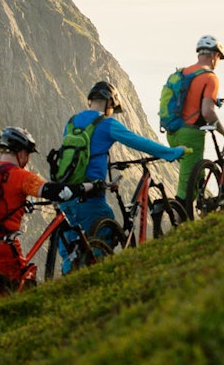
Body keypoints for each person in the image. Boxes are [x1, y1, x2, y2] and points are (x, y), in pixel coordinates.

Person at [57, 80, 187, 271]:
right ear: (110, 103)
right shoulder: (106, 123)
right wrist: (171, 153)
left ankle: (68, 284)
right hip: (90, 195)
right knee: (107, 229)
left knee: (72, 246)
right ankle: (95, 281)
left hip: (67, 192)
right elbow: (138, 141)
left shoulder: (71, 123)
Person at [0, 126, 96, 285]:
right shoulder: (21, 176)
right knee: (18, 289)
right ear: (21, 153)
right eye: (28, 154)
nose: (27, 159)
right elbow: (55, 192)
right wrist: (87, 187)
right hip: (1, 250)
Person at [166, 35, 224, 209]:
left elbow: (188, 98)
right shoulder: (210, 78)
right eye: (219, 57)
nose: (218, 61)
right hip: (191, 135)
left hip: (172, 133)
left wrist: (213, 98)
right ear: (214, 55)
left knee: (197, 178)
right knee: (185, 190)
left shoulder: (183, 73)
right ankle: (179, 225)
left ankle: (203, 214)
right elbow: (207, 112)